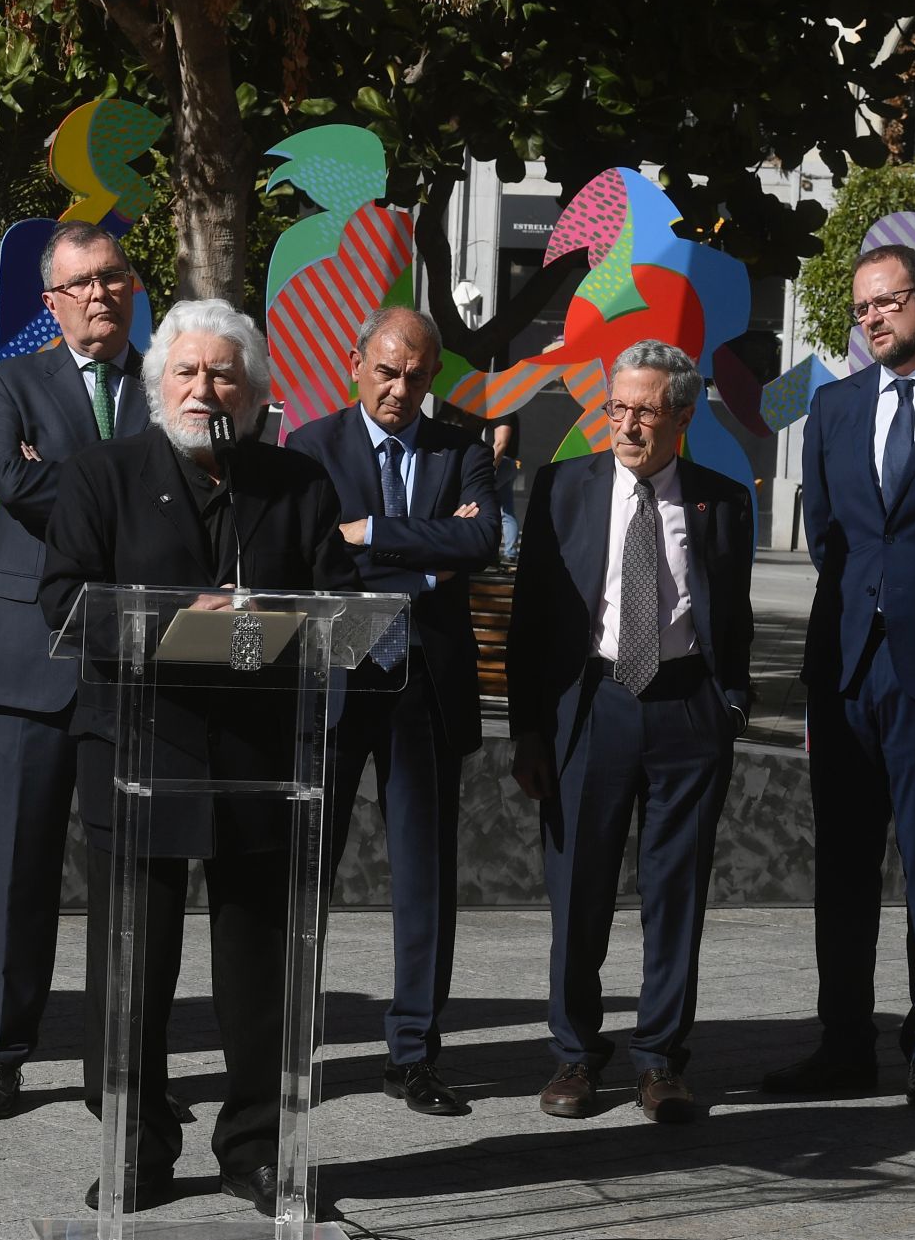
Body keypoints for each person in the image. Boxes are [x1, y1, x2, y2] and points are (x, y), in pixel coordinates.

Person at [38, 298, 357, 1215]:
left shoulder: (296, 485)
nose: (204, 388)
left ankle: (254, 1148)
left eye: (223, 374)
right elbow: (65, 603)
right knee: (131, 971)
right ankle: (137, 1148)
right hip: (140, 752)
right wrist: (180, 629)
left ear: (254, 393)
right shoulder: (103, 475)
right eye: (187, 371)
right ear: (156, 385)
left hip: (263, 762)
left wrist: (251, 636)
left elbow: (340, 613)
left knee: (259, 977)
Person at [763, 243, 915, 1110]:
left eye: (885, 304)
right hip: (847, 666)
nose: (871, 320)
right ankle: (844, 1043)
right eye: (861, 309)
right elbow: (830, 536)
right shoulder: (836, 406)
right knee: (844, 867)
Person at [508, 339, 753, 1122]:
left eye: (645, 410)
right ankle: (575, 1056)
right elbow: (530, 622)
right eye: (617, 408)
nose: (627, 424)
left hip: (687, 713)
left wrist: (731, 705)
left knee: (675, 894)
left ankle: (661, 1062)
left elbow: (734, 615)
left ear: (683, 414)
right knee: (578, 889)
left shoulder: (723, 499)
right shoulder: (561, 489)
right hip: (594, 703)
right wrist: (529, 732)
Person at [0, 221, 151, 1120]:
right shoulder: (12, 378)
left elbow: (197, 481)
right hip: (27, 655)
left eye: (113, 277)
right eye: (82, 283)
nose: (101, 294)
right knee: (17, 870)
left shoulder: (169, 378)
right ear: (53, 303)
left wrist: (69, 477)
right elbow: (9, 481)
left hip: (139, 664)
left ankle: (121, 1064)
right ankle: (1, 1055)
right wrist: (130, 489)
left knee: (132, 875)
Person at [285, 307, 499, 1118]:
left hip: (424, 687)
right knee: (308, 871)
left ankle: (413, 1054)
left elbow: (482, 546)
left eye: (416, 374)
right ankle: (291, 1048)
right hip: (337, 679)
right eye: (386, 369)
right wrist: (430, 553)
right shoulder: (310, 447)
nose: (399, 387)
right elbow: (308, 553)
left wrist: (372, 531)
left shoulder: (462, 449)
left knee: (425, 881)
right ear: (354, 362)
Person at [491, 412, 521, 562]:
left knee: (490, 508)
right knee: (506, 511)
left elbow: (500, 443)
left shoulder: (503, 412)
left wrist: (489, 468)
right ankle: (510, 553)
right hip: (508, 463)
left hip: (502, 463)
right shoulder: (509, 412)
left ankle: (496, 552)